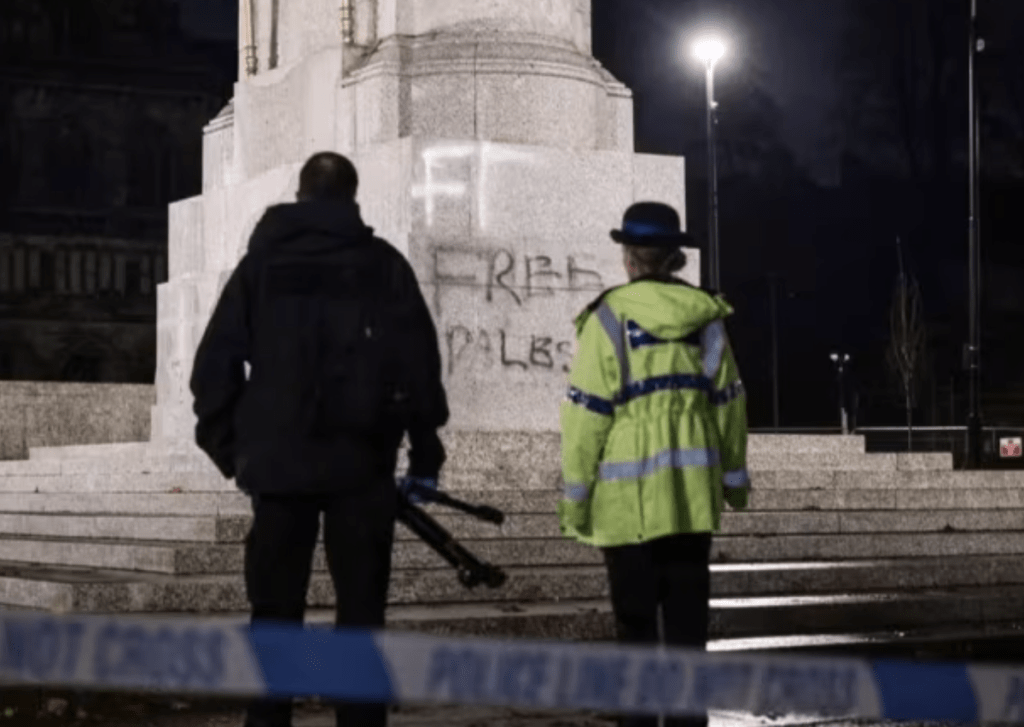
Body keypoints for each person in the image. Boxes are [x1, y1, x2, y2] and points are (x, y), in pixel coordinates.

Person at [189, 151, 449, 727]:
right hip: (362, 467)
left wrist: (233, 451)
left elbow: (214, 368)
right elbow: (418, 364)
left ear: (301, 198)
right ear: (353, 200)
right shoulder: (383, 266)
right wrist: (425, 448)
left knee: (275, 614)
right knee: (360, 618)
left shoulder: (260, 268)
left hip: (279, 469)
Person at [558, 201, 750, 727]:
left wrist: (575, 501)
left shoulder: (607, 318)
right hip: (690, 503)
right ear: (673, 257)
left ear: (628, 258)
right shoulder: (706, 318)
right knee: (688, 635)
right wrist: (734, 483)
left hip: (626, 511)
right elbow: (730, 403)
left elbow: (586, 418)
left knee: (635, 634)